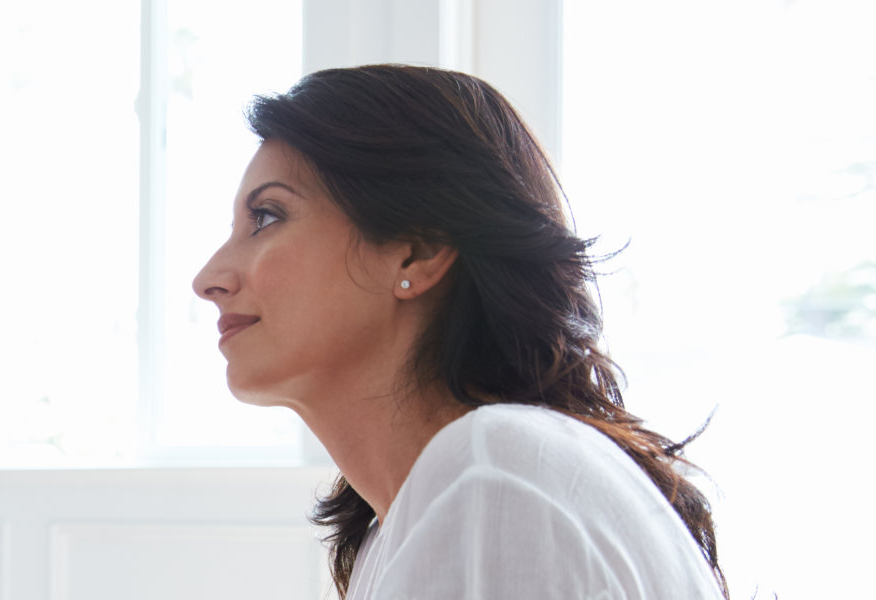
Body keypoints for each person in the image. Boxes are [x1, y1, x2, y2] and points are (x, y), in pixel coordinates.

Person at [191, 65, 726, 599]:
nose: (208, 279)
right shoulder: (405, 524)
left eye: (266, 216)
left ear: (417, 251)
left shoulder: (492, 475)